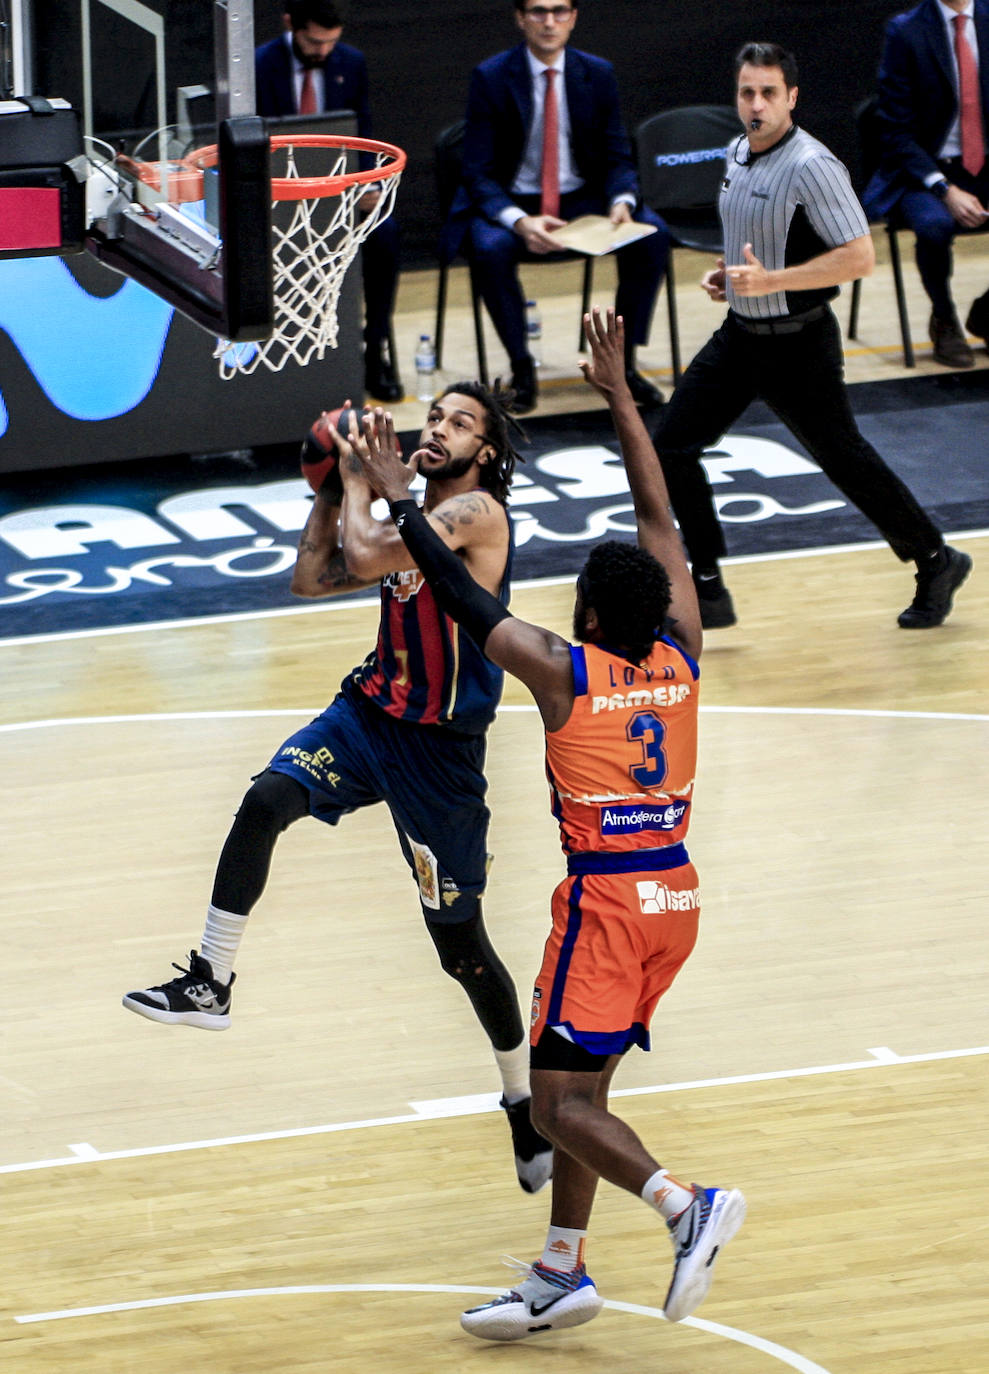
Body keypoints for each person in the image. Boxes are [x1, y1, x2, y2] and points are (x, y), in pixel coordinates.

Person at [352, 308, 745, 1340]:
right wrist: (620, 396)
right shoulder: (679, 655)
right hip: (675, 901)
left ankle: (680, 1204)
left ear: (585, 618)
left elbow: (454, 595)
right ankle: (561, 1270)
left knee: (554, 1104)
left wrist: (401, 501)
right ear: (654, 609)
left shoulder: (566, 675)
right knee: (588, 1092)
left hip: (609, 905)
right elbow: (660, 521)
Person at [122, 381, 554, 1195]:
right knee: (264, 801)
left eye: (459, 423)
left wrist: (358, 476)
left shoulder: (475, 516)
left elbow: (366, 556)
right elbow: (312, 578)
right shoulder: (409, 518)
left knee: (460, 949)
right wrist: (327, 489)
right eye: (435, 415)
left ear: (485, 453)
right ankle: (208, 980)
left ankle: (520, 1098)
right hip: (369, 715)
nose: (438, 428)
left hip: (440, 754)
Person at [651, 41, 972, 632]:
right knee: (669, 445)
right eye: (747, 92)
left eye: (769, 93)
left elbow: (859, 258)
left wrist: (771, 279)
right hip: (742, 336)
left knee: (844, 459)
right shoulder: (735, 152)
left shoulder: (813, 166)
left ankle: (936, 558)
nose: (756, 104)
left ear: (791, 97)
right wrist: (733, 279)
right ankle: (709, 588)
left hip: (800, 346)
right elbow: (756, 242)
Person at [442, 0, 668, 413]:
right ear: (520, 18)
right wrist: (521, 221)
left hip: (583, 196)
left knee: (652, 236)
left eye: (559, 11)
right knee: (488, 248)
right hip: (517, 199)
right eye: (538, 11)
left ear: (574, 17)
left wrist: (621, 201)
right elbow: (477, 172)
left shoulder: (597, 73)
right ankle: (521, 365)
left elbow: (618, 155)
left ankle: (623, 364)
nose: (549, 21)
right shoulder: (491, 77)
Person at [255, 0, 404, 401]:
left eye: (331, 42)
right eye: (314, 41)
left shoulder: (350, 63)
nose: (323, 51)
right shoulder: (258, 66)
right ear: (290, 24)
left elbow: (363, 128)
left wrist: (369, 184)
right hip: (282, 196)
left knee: (385, 235)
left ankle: (374, 349)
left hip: (343, 195)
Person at [863, 0, 989, 369]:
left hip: (985, 164)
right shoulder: (906, 30)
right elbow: (895, 130)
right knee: (934, 226)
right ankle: (944, 318)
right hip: (924, 169)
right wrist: (944, 189)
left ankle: (986, 315)